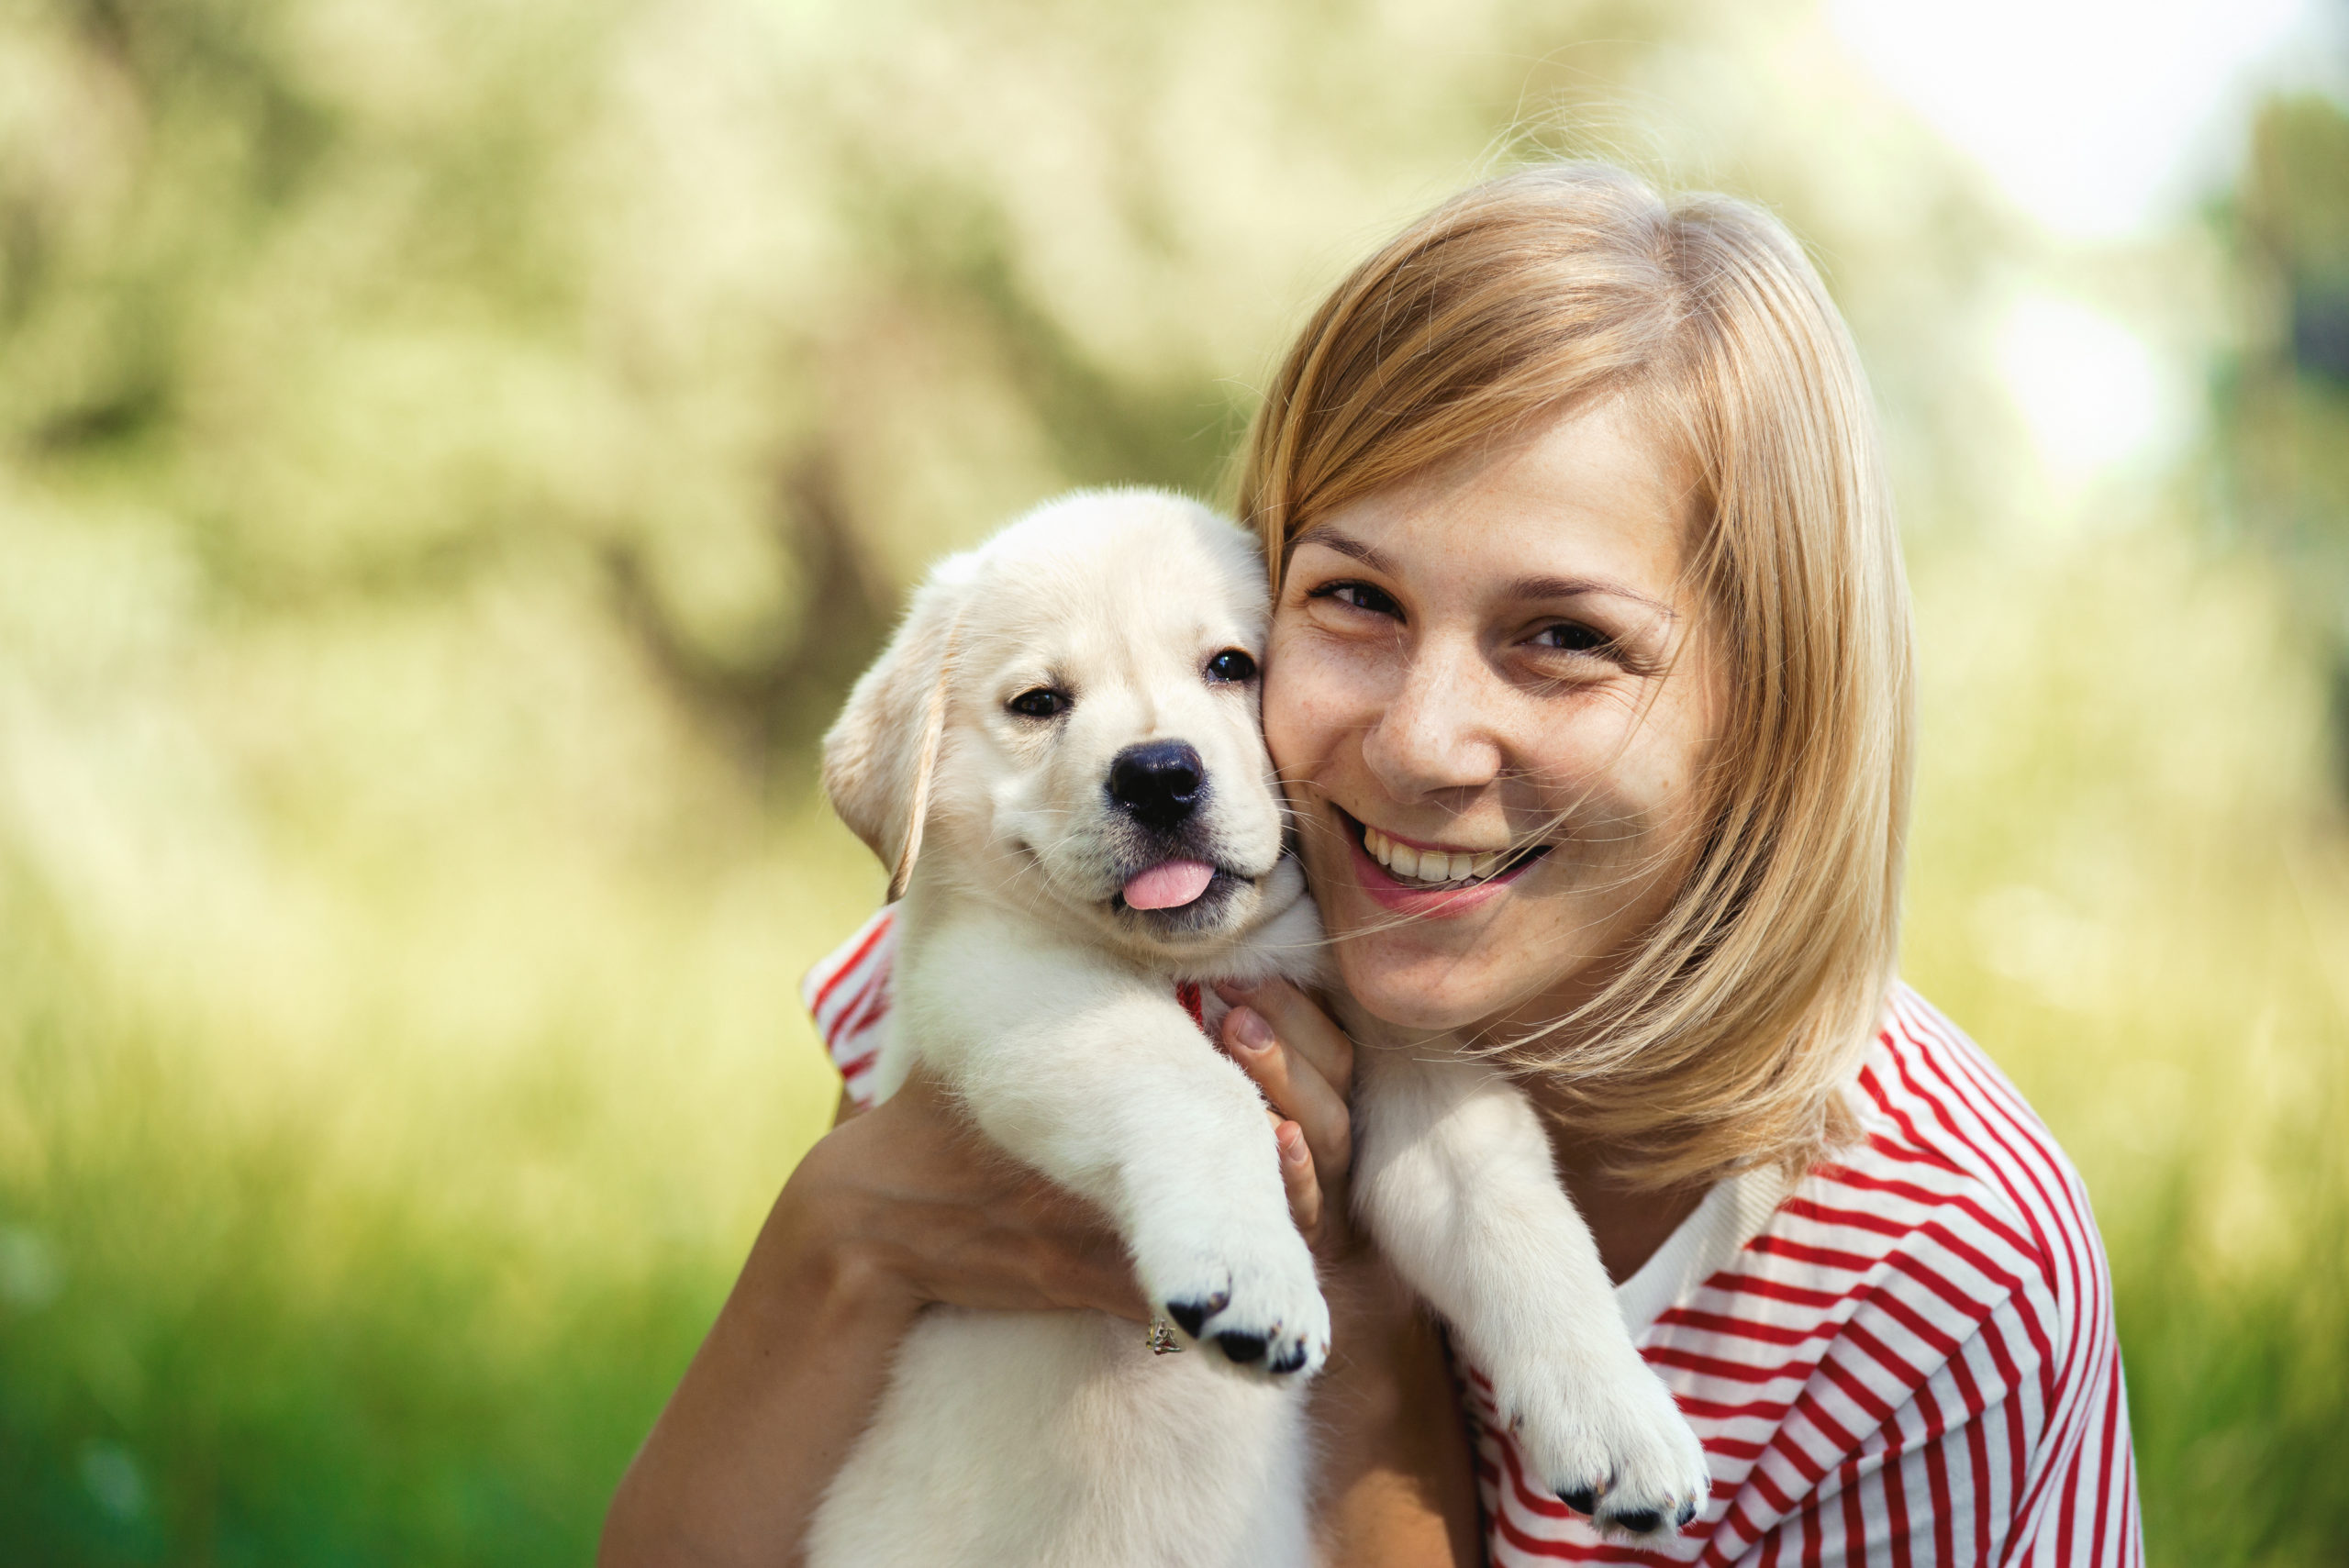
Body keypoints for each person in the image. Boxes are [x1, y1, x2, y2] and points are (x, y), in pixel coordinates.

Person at [600, 164, 2142, 1567]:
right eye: (1351, 598)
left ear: (1772, 702)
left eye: (1565, 638)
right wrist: (851, 1220)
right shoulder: (1050, 935)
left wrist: (1368, 1314)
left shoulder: (1938, 1273)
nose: (1420, 745)